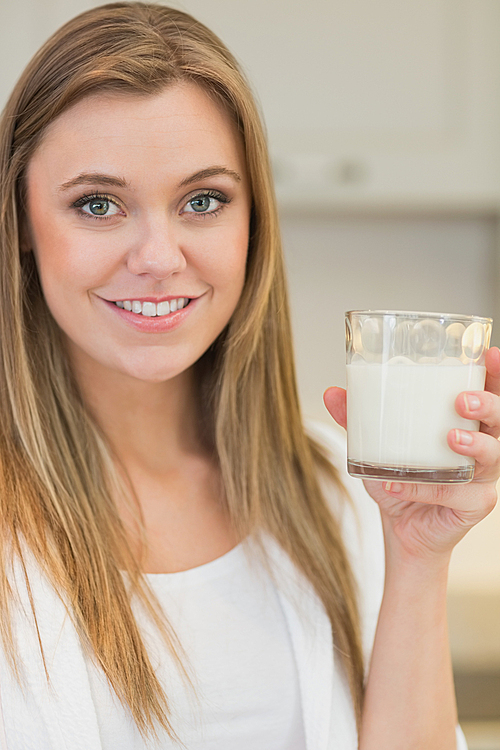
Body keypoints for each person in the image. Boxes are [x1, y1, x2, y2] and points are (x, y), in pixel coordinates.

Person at [0, 3, 497, 748]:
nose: (160, 257)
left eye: (203, 200)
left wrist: (418, 557)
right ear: (22, 225)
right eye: (97, 204)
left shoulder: (338, 489)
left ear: (252, 222)